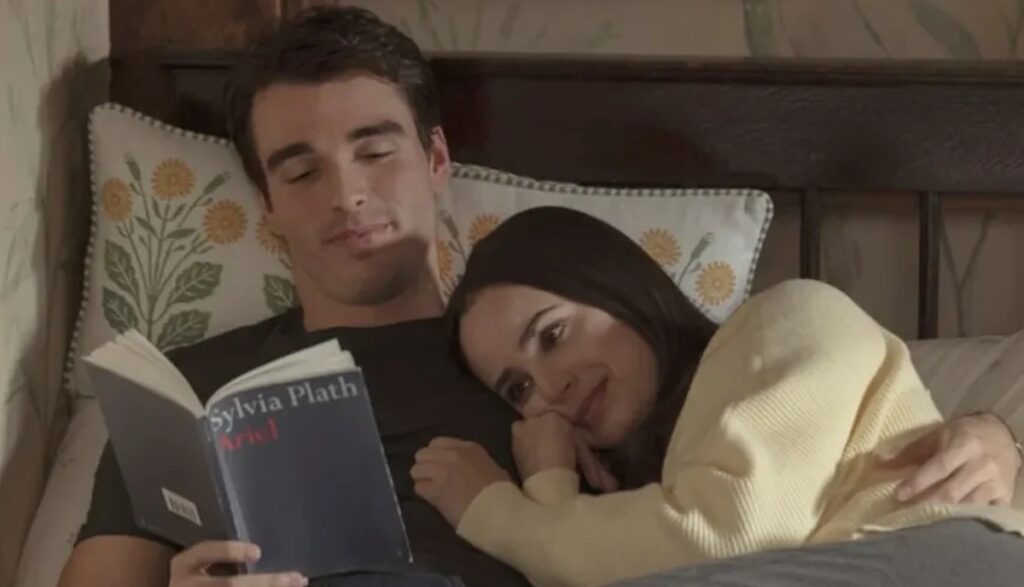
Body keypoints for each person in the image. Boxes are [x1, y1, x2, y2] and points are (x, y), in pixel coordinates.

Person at [56, 6, 1021, 587]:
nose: (347, 195)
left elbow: (783, 474)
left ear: (437, 161)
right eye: (301, 171)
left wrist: (997, 440)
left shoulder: (565, 371)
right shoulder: (191, 385)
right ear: (265, 206)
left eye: (376, 150)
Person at [412, 206, 1024, 587]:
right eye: (519, 388)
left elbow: (724, 538)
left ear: (616, 287)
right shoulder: (641, 505)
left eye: (553, 335)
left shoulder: (791, 318)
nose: (551, 390)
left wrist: (499, 513)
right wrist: (551, 485)